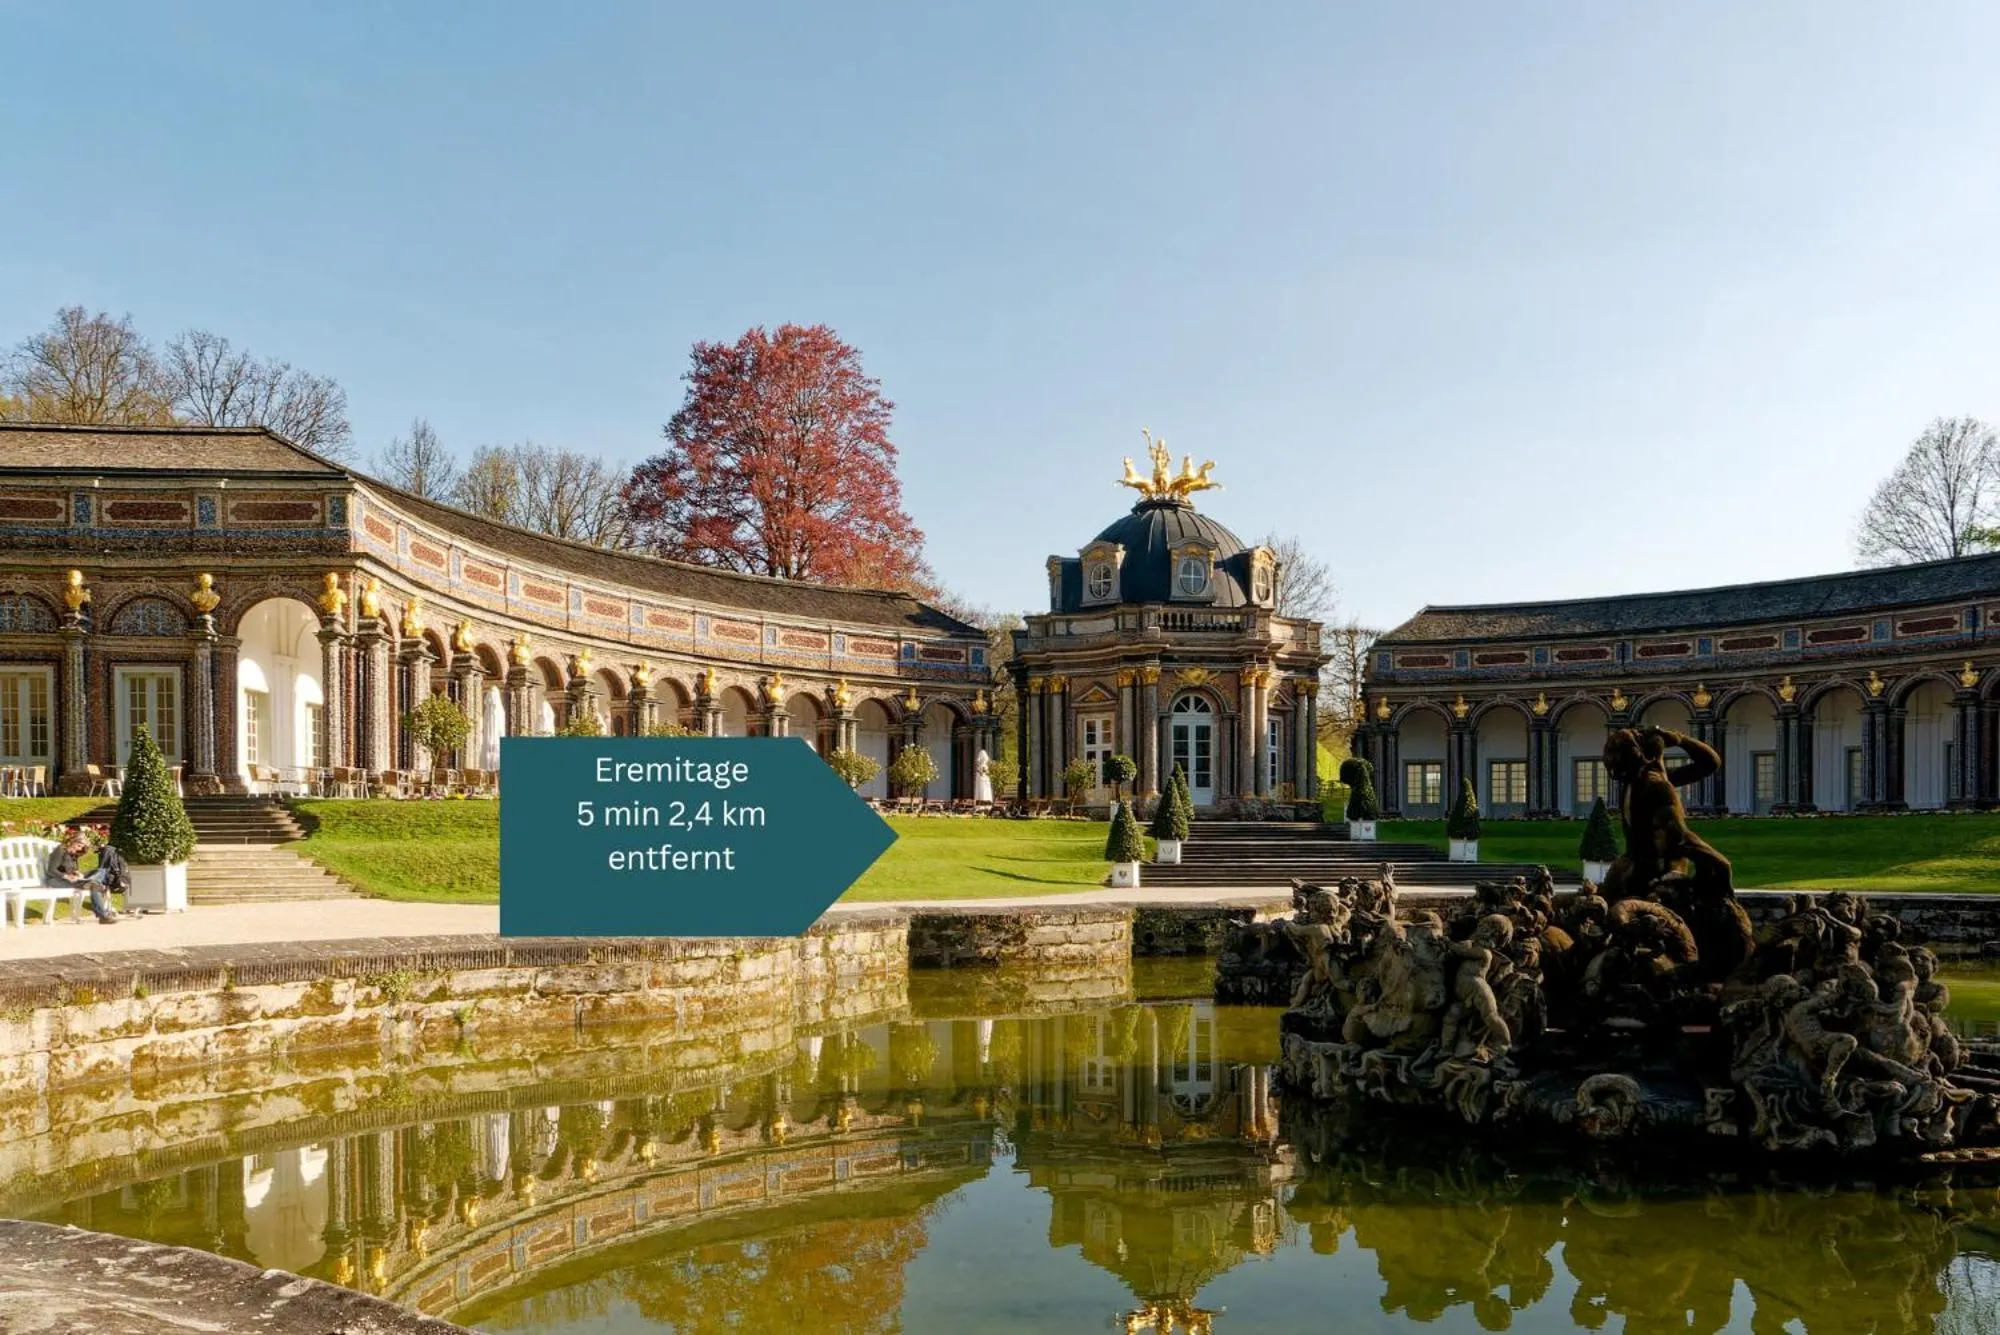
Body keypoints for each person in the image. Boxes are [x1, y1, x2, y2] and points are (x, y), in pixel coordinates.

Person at [44, 829, 120, 924]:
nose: (79, 849)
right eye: (79, 845)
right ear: (73, 841)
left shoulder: (73, 854)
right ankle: (103, 916)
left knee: (101, 871)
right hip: (56, 880)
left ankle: (96, 885)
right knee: (94, 885)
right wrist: (67, 876)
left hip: (73, 879)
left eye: (81, 847)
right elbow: (51, 870)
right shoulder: (60, 850)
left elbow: (72, 869)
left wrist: (77, 873)